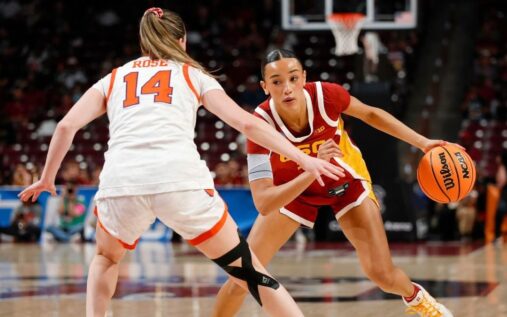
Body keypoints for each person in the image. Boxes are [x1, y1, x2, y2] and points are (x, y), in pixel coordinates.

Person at [18, 8, 344, 317]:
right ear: (182, 41)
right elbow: (246, 123)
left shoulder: (114, 77)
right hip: (179, 181)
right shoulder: (191, 74)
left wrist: (48, 178)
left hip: (122, 183)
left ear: (144, 42)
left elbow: (65, 126)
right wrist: (303, 158)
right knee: (247, 270)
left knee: (105, 258)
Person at [212, 49, 454, 317]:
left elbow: (372, 115)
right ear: (264, 87)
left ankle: (417, 298)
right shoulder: (259, 126)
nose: (287, 88)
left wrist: (422, 142)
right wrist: (311, 167)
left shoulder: (326, 95)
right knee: (242, 276)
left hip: (345, 180)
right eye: (277, 81)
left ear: (304, 77)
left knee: (382, 275)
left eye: (293, 78)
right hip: (296, 190)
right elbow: (264, 202)